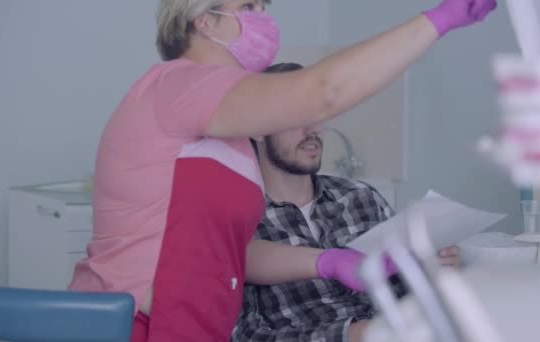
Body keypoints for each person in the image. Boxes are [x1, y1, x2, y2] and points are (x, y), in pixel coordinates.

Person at [66, 0, 495, 340]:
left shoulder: (228, 134)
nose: (264, 19)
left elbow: (229, 250)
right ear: (202, 20)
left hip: (190, 327)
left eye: (264, 8)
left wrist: (326, 262)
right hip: (131, 325)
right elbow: (322, 92)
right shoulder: (176, 84)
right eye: (249, 7)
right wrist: (436, 20)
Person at [231, 62, 461, 342]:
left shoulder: (359, 197)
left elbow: (404, 290)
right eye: (295, 116)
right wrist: (349, 335)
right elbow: (246, 335)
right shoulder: (239, 220)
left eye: (317, 115)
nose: (312, 130)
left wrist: (431, 269)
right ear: (258, 129)